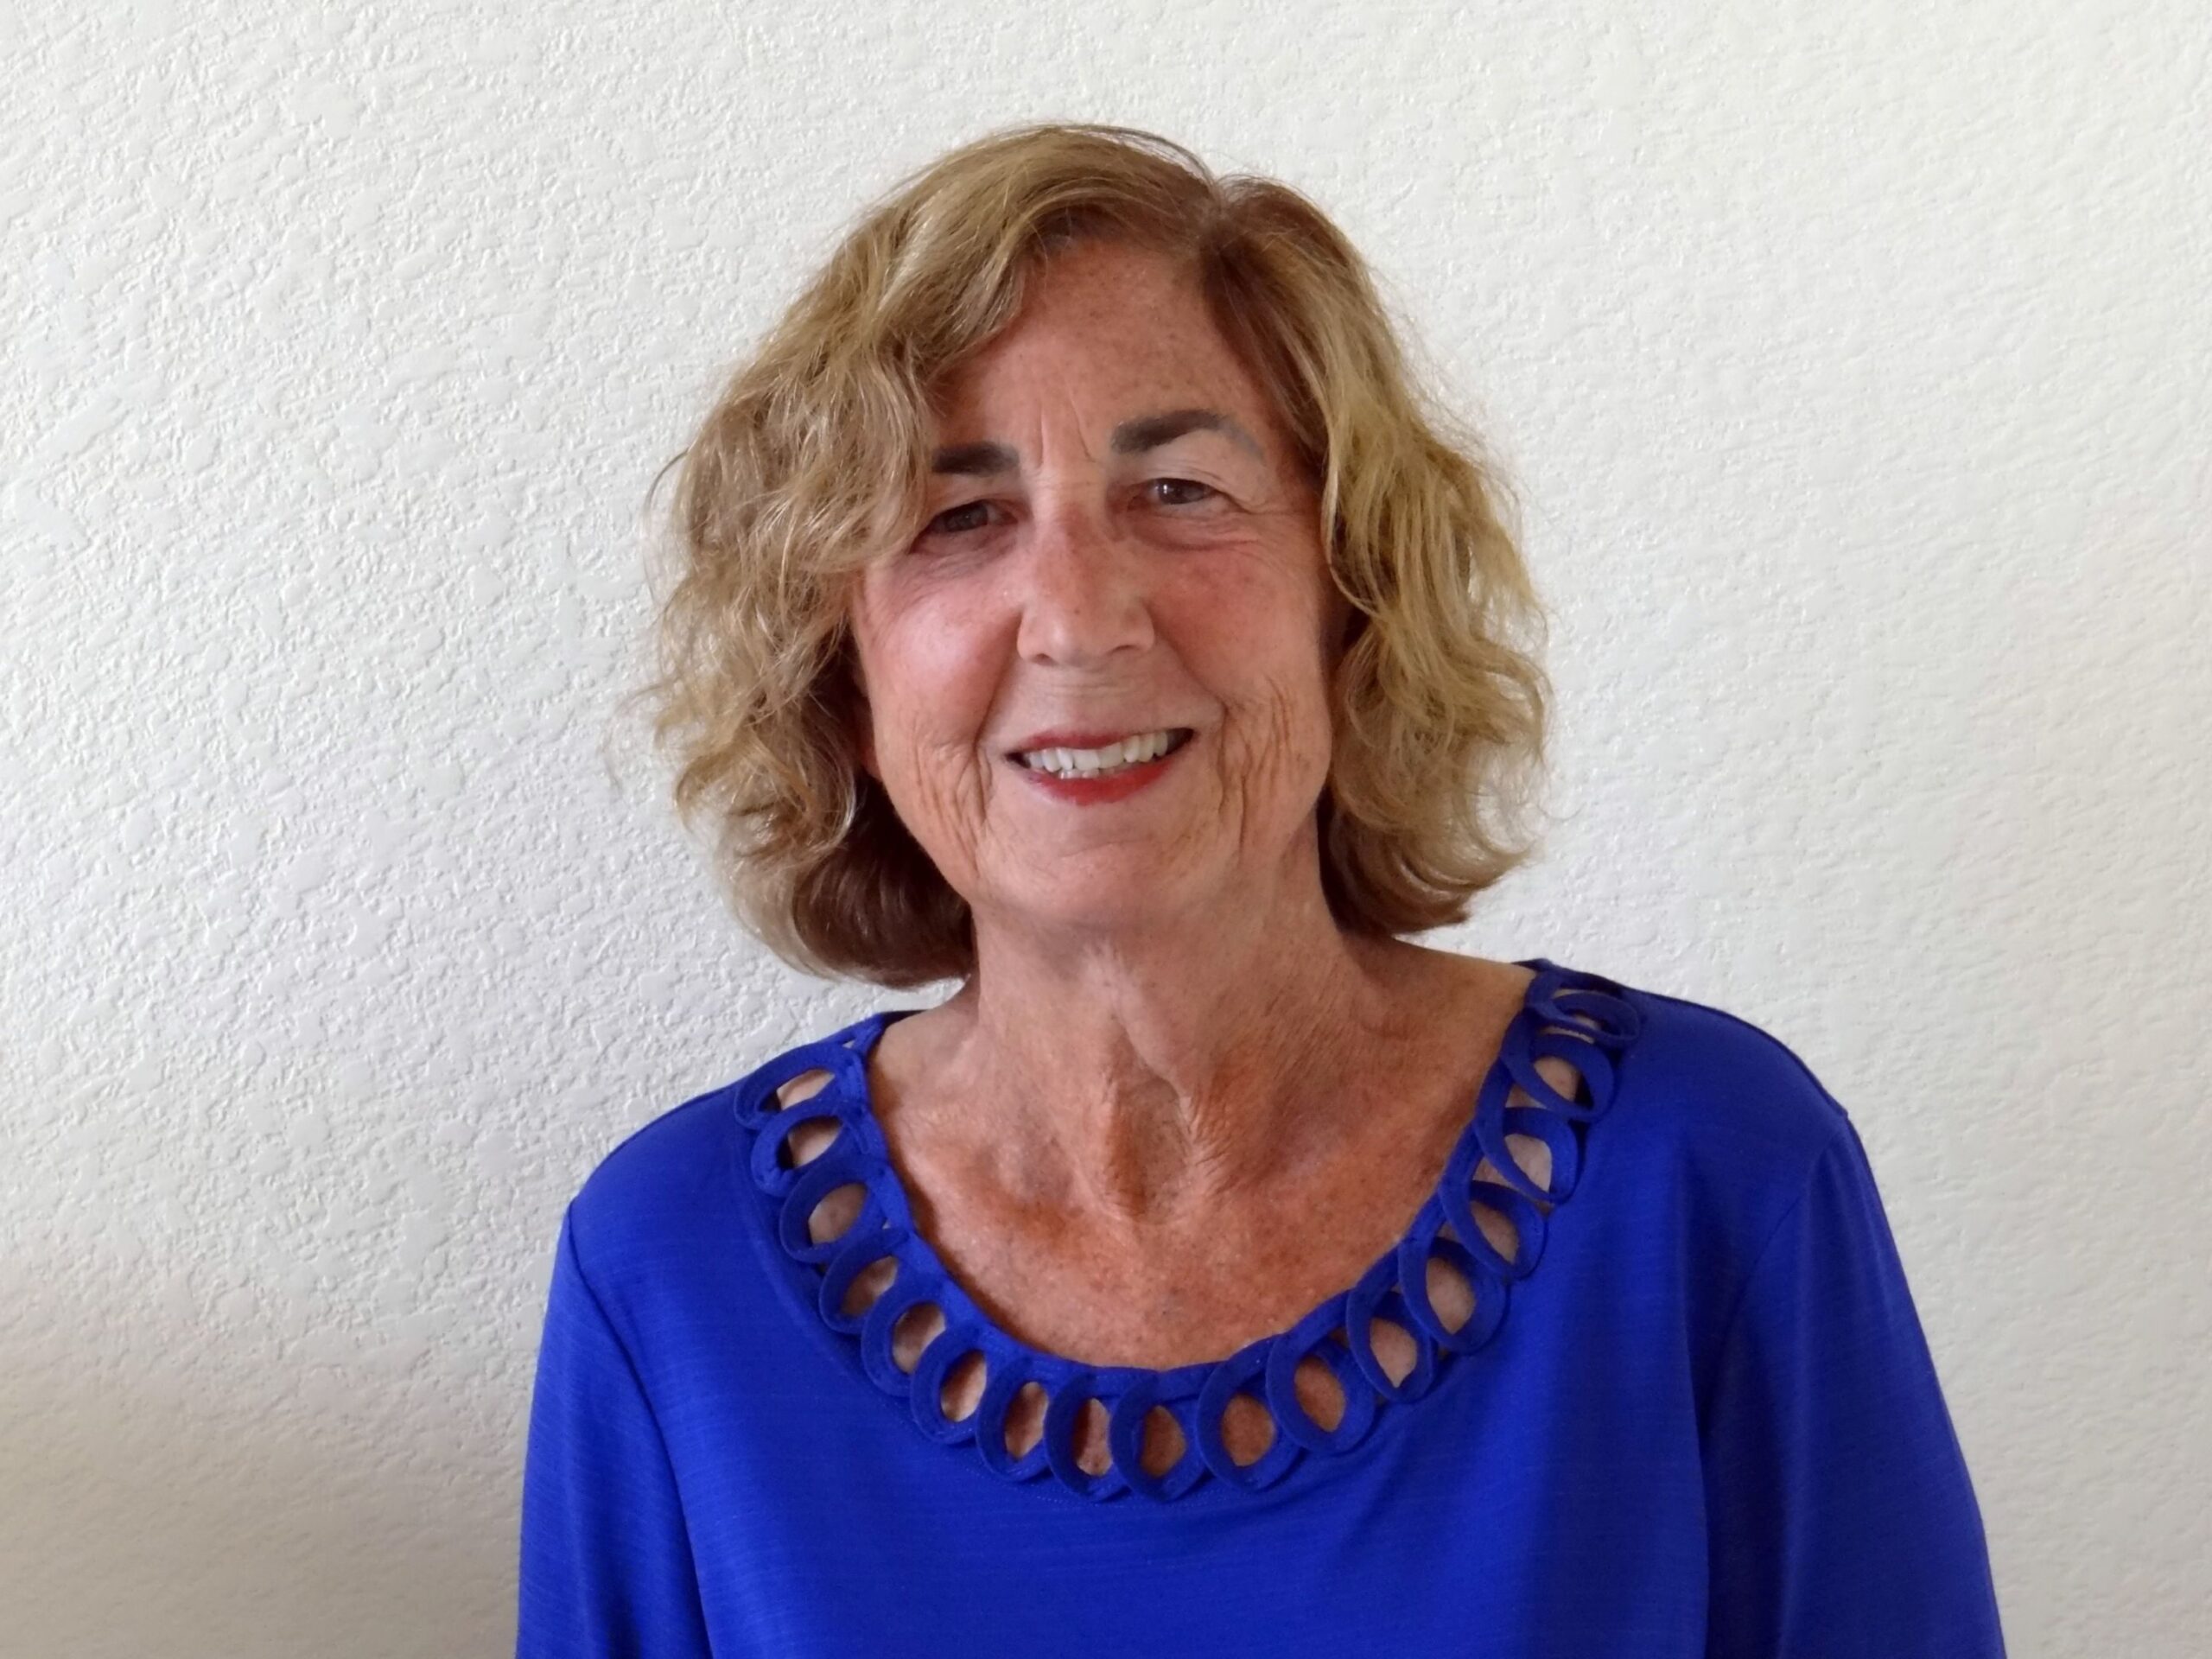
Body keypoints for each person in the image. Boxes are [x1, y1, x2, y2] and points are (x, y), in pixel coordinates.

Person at [514, 122, 2005, 1656]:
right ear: (844, 678)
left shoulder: (1709, 1178)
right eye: (960, 518)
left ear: (1351, 597)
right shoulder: (672, 1273)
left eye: (1177, 488)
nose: (1078, 620)